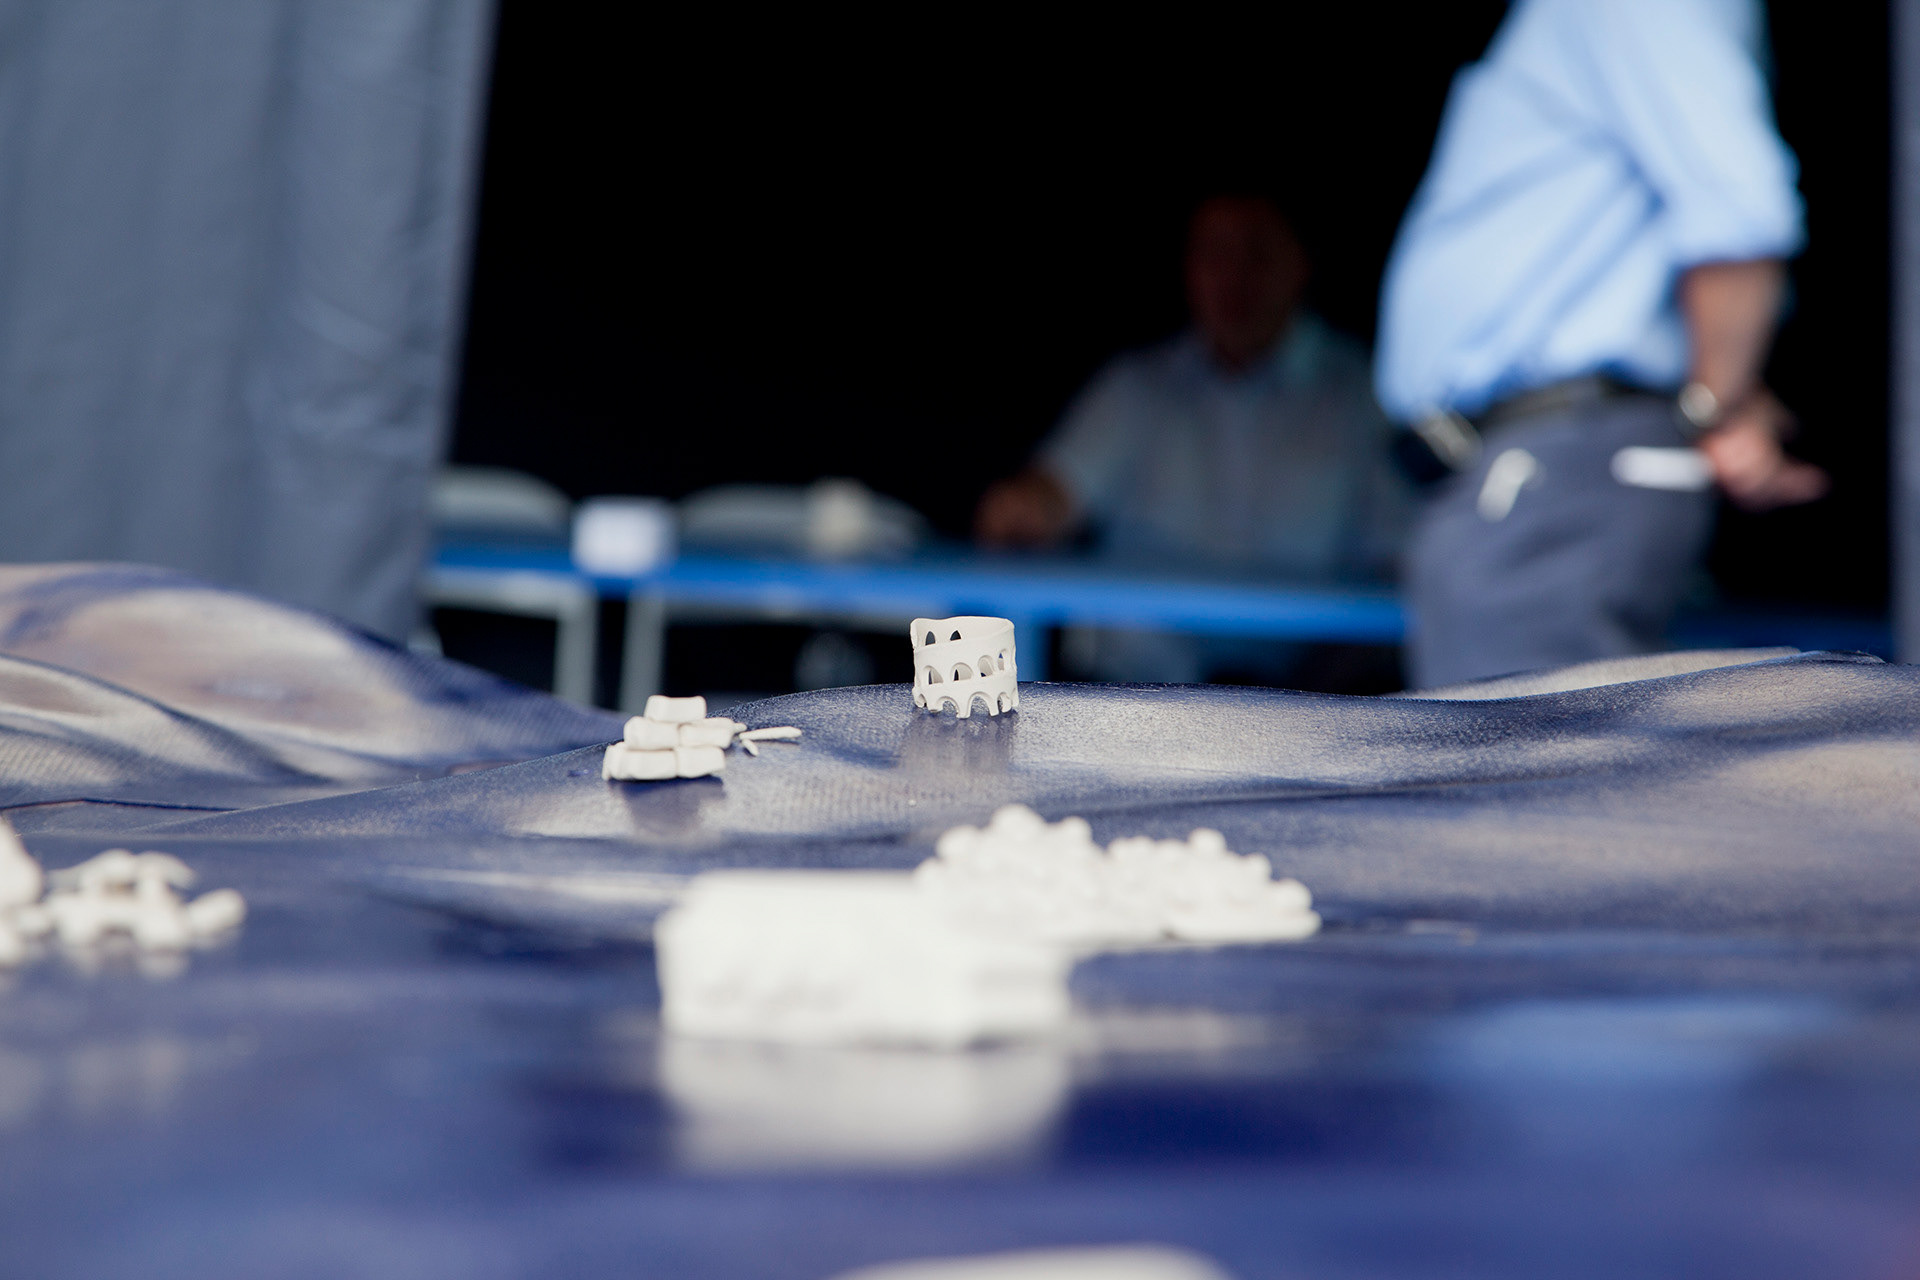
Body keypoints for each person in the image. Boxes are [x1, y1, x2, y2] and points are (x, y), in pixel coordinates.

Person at [1376, 0, 1828, 689]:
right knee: (1527, 772)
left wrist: (1710, 406)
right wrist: (1724, 396)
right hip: (1550, 467)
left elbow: (1742, 216)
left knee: (1516, 780)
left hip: (1562, 465)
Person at [976, 195, 1408, 683]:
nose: (1235, 275)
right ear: (1189, 268)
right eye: (1216, 253)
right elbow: (1049, 498)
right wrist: (1024, 509)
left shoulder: (1367, 395)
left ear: (1302, 263)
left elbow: (1401, 563)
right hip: (1134, 710)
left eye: (1258, 252)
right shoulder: (1136, 387)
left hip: (1314, 714)